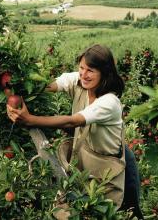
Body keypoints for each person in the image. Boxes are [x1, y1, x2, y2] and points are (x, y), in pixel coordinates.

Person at [7, 44, 129, 210]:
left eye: (90, 70)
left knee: (100, 209)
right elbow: (51, 85)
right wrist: (19, 88)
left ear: (105, 73)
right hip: (84, 161)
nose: (84, 75)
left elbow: (72, 121)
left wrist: (30, 120)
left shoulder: (109, 102)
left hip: (105, 169)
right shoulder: (79, 81)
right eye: (81, 68)